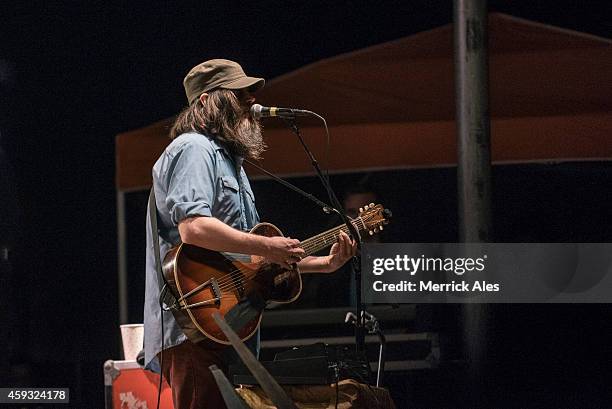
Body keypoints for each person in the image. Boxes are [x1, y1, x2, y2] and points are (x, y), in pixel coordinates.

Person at [143, 59, 356, 409]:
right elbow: (194, 227)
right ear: (205, 102)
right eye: (239, 95)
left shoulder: (233, 165)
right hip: (195, 321)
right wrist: (265, 245)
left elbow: (252, 261)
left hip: (231, 324)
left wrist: (324, 264)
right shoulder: (194, 148)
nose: (251, 102)